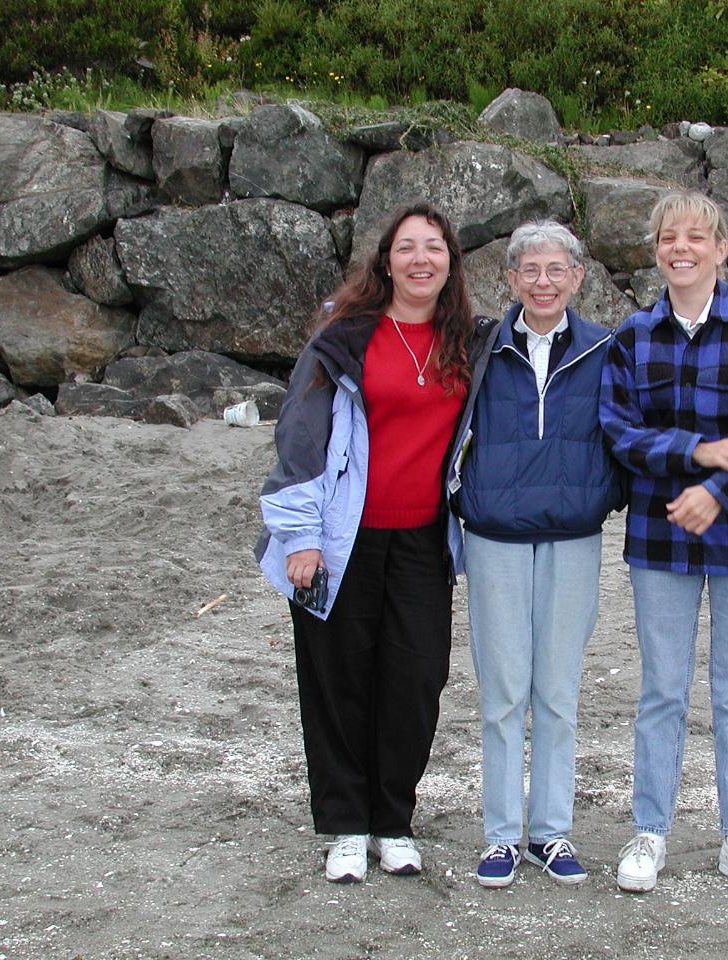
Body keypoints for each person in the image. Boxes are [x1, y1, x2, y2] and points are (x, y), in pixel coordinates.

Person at [256, 202, 497, 885]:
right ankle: (344, 825)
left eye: (434, 248)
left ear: (450, 262)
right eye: (407, 247)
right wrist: (300, 538)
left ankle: (393, 821)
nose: (421, 259)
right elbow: (299, 438)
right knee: (337, 682)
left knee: (415, 681)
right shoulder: (343, 337)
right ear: (385, 260)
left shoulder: (469, 342)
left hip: (424, 540)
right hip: (339, 540)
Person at [599, 191, 728, 899]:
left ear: (720, 250)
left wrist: (716, 492)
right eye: (667, 237)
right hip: (662, 534)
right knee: (661, 690)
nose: (679, 248)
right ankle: (650, 831)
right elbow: (622, 434)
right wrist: (702, 451)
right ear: (655, 249)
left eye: (695, 237)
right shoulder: (633, 336)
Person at [453, 221, 624, 888]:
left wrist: (603, 496)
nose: (544, 281)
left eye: (557, 270)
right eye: (531, 270)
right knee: (501, 694)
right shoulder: (482, 348)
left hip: (573, 537)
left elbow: (624, 436)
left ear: (579, 278)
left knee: (556, 693)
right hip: (494, 535)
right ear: (511, 279)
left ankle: (549, 833)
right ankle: (500, 834)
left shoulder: (605, 351)